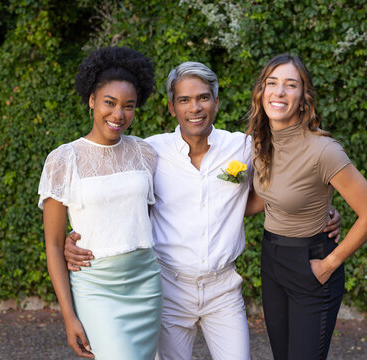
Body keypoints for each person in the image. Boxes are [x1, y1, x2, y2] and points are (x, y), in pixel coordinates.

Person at [64, 61, 342, 360]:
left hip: (223, 290)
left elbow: (288, 177)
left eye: (203, 97)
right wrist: (77, 236)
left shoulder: (244, 147)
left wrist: (322, 210)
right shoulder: (148, 151)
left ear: (216, 102)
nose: (194, 107)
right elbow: (114, 198)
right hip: (167, 287)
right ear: (172, 107)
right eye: (184, 100)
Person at [245, 53, 367, 359]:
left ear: (303, 97)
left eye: (290, 85)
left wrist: (328, 265)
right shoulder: (260, 142)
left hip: (311, 263)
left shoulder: (324, 150)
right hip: (271, 260)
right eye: (272, 83)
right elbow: (263, 198)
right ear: (262, 91)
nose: (279, 92)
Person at [38, 46, 162, 359]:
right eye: (110, 102)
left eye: (129, 106)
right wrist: (69, 317)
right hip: (96, 287)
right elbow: (53, 246)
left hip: (145, 283)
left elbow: (141, 219)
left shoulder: (145, 153)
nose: (118, 114)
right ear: (92, 100)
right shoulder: (63, 159)